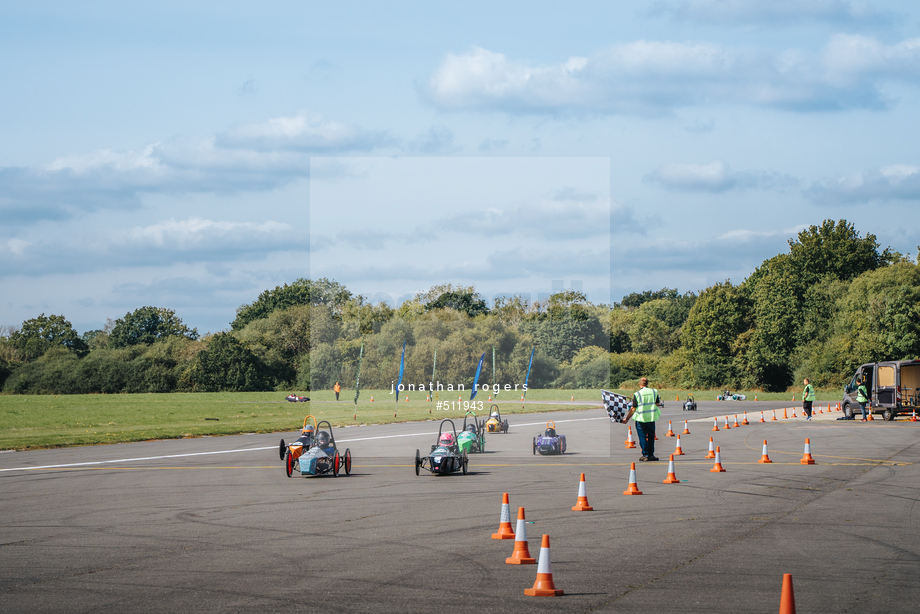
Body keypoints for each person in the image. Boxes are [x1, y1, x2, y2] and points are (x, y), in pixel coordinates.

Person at [632, 377, 663, 461]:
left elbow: (634, 407)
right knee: (651, 437)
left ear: (640, 384)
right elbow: (657, 403)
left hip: (641, 418)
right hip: (651, 417)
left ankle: (645, 454)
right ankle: (651, 454)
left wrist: (627, 418)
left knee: (642, 437)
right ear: (647, 383)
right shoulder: (654, 392)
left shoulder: (637, 394)